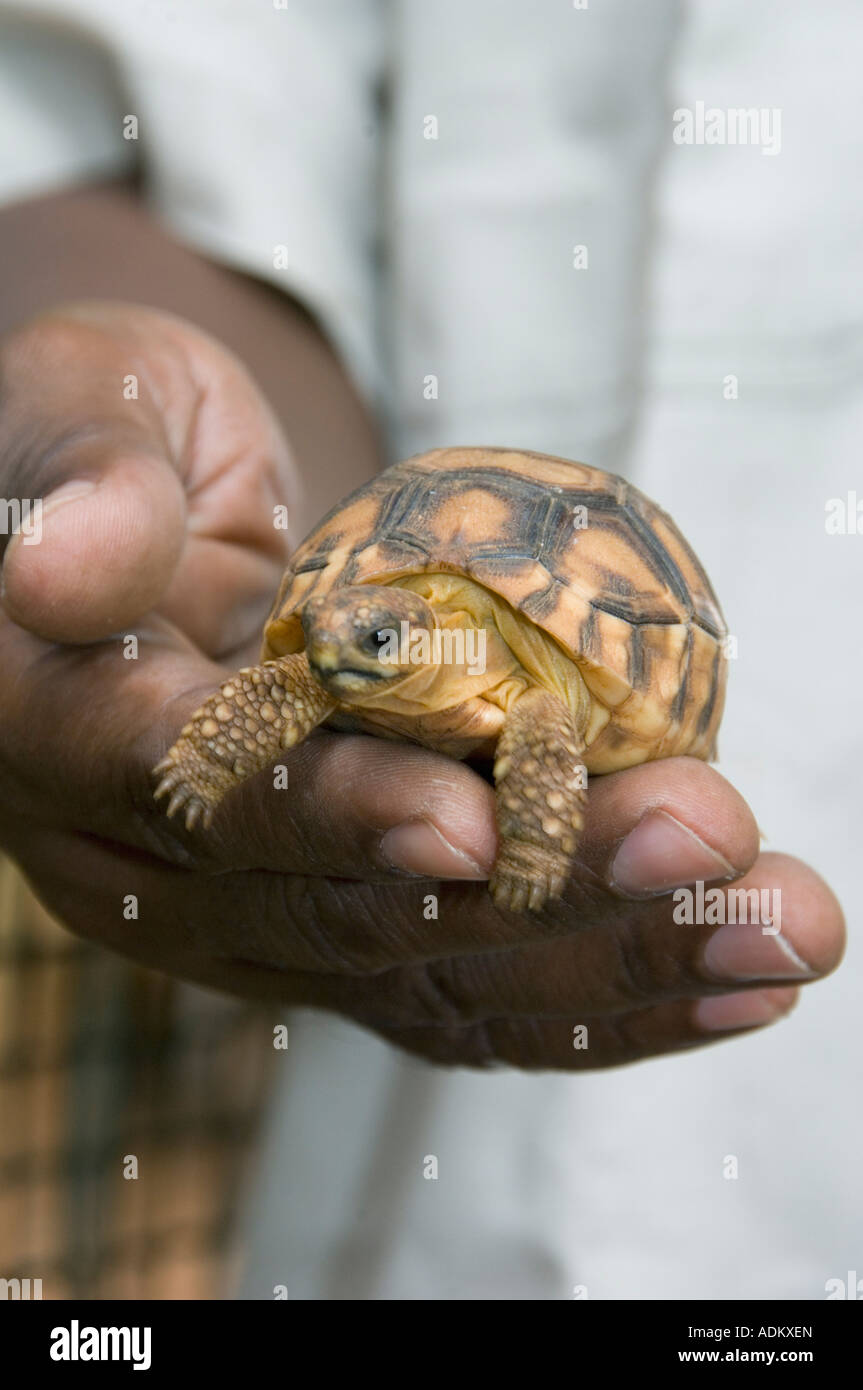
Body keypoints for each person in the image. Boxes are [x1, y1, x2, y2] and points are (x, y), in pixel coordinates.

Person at [0, 1, 853, 1299]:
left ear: (444, 639)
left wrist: (530, 832)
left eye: (379, 635)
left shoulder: (536, 692)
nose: (344, 647)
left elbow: (540, 729)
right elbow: (108, 111)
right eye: (347, 631)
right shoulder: (348, 645)